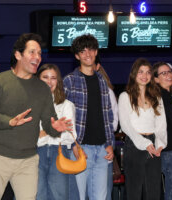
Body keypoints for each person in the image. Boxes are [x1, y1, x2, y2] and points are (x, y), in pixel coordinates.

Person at [0, 33, 72, 200]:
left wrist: (55, 128)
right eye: (32, 52)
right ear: (18, 55)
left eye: (39, 53)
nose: (37, 57)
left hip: (28, 160)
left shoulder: (42, 88)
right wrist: (10, 121)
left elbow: (49, 122)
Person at [63, 34, 114, 200]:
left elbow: (107, 116)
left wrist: (109, 143)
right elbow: (64, 117)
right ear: (77, 56)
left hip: (102, 150)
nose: (87, 54)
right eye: (82, 51)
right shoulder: (69, 81)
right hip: (80, 148)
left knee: (100, 198)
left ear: (96, 52)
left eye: (91, 50)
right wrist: (74, 145)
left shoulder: (102, 81)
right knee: (77, 196)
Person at [118, 58, 167, 200]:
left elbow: (161, 125)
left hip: (154, 145)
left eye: (148, 72)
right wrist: (145, 144)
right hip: (134, 144)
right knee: (134, 192)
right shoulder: (125, 96)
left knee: (153, 192)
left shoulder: (157, 97)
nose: (144, 76)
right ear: (134, 74)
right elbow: (126, 126)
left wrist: (159, 144)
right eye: (141, 72)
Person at [36, 64, 77, 200]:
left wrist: (43, 132)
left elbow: (70, 137)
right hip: (35, 154)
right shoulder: (29, 104)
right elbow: (30, 137)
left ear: (58, 81)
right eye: (45, 77)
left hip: (59, 153)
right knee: (37, 195)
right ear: (37, 79)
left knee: (59, 196)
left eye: (53, 78)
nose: (49, 81)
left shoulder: (67, 105)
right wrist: (55, 129)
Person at [152, 62, 172, 200]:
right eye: (164, 73)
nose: (168, 75)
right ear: (156, 79)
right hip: (171, 151)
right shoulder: (165, 97)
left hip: (169, 150)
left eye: (169, 72)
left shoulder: (169, 97)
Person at [94, 56, 119, 200]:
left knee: (103, 193)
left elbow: (114, 122)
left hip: (104, 144)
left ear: (98, 66)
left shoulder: (107, 91)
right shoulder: (75, 87)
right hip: (83, 147)